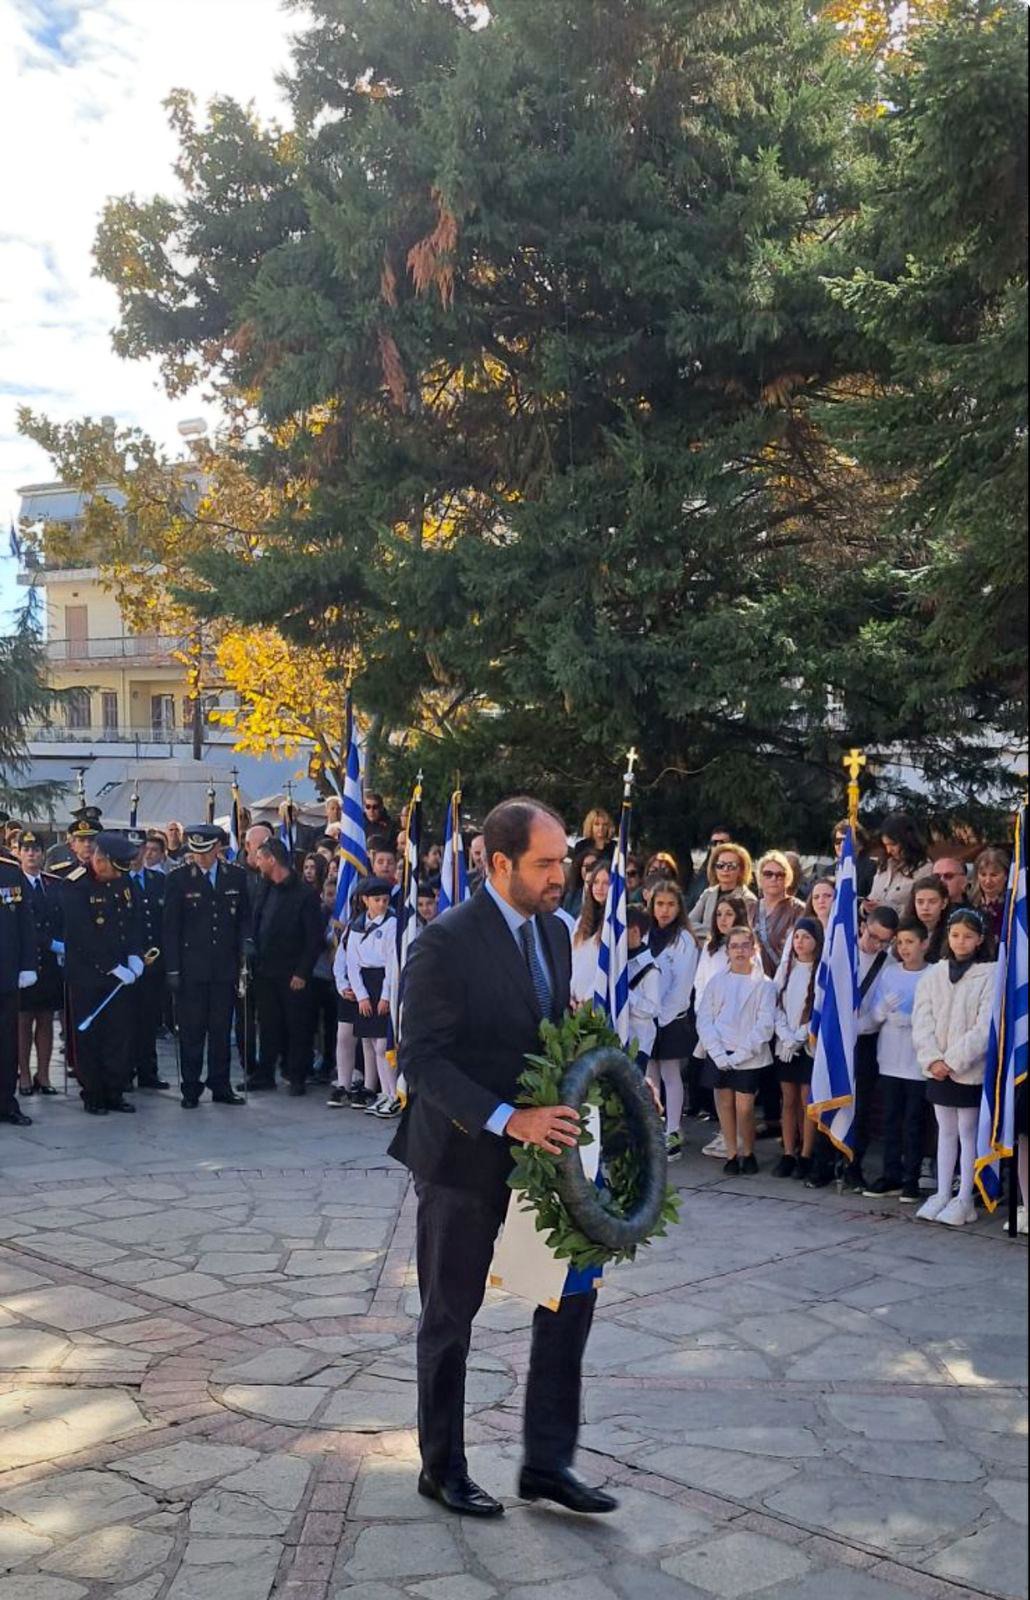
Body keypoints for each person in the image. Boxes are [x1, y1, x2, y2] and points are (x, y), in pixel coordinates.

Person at [390, 796, 616, 1519]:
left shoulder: (553, 933)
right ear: (498, 863)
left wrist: (606, 1073)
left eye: (564, 861)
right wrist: (505, 1119)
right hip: (460, 1158)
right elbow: (422, 1061)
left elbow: (545, 1031)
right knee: (450, 1316)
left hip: (543, 1159)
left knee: (568, 1301)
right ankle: (442, 1466)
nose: (562, 876)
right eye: (545, 864)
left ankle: (547, 1464)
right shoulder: (443, 943)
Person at [912, 907, 996, 1226]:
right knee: (945, 1130)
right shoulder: (934, 974)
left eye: (968, 936)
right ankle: (943, 1192)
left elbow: (983, 1027)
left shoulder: (988, 975)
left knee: (967, 1131)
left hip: (967, 1070)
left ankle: (965, 1198)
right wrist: (932, 1058)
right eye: (956, 935)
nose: (961, 942)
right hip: (937, 1067)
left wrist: (952, 1061)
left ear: (980, 940)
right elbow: (922, 1019)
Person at [61, 831, 146, 1116]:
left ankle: (115, 1090)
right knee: (90, 1037)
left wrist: (135, 954)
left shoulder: (123, 882)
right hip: (88, 975)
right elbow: (81, 935)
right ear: (100, 859)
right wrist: (112, 966)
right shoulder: (76, 886)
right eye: (114, 867)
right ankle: (94, 1093)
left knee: (119, 1034)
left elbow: (133, 921)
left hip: (121, 975)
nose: (117, 875)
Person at [162, 826, 248, 1109]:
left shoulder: (235, 876)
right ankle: (190, 1087)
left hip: (224, 968)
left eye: (205, 852)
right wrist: (172, 969)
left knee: (221, 1030)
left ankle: (220, 1084)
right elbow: (171, 928)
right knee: (192, 1031)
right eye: (195, 852)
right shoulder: (178, 879)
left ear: (217, 849)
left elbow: (243, 921)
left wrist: (245, 952)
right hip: (191, 969)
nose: (199, 858)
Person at [828, 905, 899, 1192]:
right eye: (872, 936)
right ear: (862, 927)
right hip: (836, 1038)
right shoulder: (843, 953)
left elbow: (875, 1017)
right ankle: (824, 1161)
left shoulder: (889, 964)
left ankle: (853, 1164)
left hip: (866, 1042)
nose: (876, 944)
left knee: (862, 1107)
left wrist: (874, 1017)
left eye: (884, 941)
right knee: (830, 1098)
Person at [696, 924, 775, 1175]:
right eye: (734, 946)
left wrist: (741, 1054)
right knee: (725, 1104)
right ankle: (731, 1153)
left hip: (748, 1056)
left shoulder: (764, 985)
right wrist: (717, 1052)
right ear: (727, 951)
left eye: (745, 945)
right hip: (719, 1053)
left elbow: (765, 1024)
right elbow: (705, 1017)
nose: (739, 950)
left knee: (745, 1108)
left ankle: (748, 1150)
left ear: (754, 949)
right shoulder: (717, 981)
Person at [862, 916, 930, 1202]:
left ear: (924, 944)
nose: (904, 948)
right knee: (891, 1120)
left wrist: (914, 1020)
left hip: (916, 1061)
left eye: (910, 942)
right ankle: (891, 1175)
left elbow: (936, 1014)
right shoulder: (889, 972)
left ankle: (911, 1179)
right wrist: (883, 1012)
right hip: (890, 1057)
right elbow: (875, 1015)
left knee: (913, 1123)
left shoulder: (933, 973)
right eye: (900, 942)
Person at [250, 838, 323, 1095]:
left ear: (272, 859)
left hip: (293, 972)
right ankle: (265, 1073)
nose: (257, 863)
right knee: (268, 1024)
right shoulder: (265, 887)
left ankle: (297, 1075)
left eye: (260, 858)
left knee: (297, 1025)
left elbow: (314, 938)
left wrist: (302, 972)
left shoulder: (305, 894)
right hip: (265, 970)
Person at [646, 880, 699, 1159]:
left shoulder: (684, 939)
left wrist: (662, 1016)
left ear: (679, 908)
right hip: (647, 1016)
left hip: (671, 1017)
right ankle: (653, 1128)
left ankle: (673, 1129)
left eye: (670, 904)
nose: (664, 910)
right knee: (650, 1074)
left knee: (670, 1073)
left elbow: (682, 984)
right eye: (659, 904)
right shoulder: (645, 934)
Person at [772, 917, 824, 1179]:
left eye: (806, 937)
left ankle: (807, 1153)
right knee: (788, 1100)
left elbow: (819, 1010)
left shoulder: (820, 971)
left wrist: (800, 1036)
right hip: (786, 1044)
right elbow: (776, 1003)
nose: (800, 942)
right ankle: (788, 1153)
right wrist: (785, 1035)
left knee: (806, 1100)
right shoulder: (787, 968)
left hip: (807, 1046)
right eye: (797, 937)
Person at [346, 876, 400, 1116]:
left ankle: (393, 1093)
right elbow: (352, 963)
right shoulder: (357, 925)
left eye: (385, 900)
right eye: (376, 900)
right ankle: (383, 1093)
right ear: (365, 900)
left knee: (382, 1045)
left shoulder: (391, 924)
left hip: (383, 983)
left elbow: (392, 961)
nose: (381, 904)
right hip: (365, 986)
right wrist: (361, 995)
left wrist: (386, 995)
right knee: (368, 1042)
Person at [15, 831, 62, 1098]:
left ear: (43, 853)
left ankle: (42, 1074)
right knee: (23, 1022)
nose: (32, 853)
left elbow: (61, 918)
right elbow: (25, 926)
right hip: (26, 963)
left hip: (50, 966)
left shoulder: (53, 883)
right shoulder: (14, 883)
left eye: (36, 849)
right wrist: (49, 942)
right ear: (19, 852)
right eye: (27, 849)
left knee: (45, 1020)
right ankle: (23, 1073)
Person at [125, 831, 170, 1091]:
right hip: (129, 965)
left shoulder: (158, 880)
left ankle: (148, 1071)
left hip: (154, 963)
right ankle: (126, 1070)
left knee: (150, 1019)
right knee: (128, 1020)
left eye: (139, 849)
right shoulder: (119, 882)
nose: (136, 855)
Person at [1, 851, 37, 1127]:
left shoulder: (10, 872)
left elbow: (25, 923)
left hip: (6, 973)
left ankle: (6, 1102)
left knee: (6, 1043)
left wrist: (27, 965)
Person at [752, 851, 803, 977]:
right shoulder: (750, 909)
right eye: (768, 874)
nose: (774, 878)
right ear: (760, 878)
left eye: (780, 875)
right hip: (755, 983)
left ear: (788, 878)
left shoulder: (799, 910)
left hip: (787, 980)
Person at [688, 843, 756, 937]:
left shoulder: (747, 899)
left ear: (741, 870)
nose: (725, 870)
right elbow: (688, 923)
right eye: (720, 865)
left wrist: (707, 931)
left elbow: (745, 932)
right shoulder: (708, 893)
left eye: (731, 866)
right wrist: (713, 933)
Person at [868, 813, 929, 912]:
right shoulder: (883, 865)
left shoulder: (925, 869)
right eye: (885, 845)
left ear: (908, 841)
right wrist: (865, 908)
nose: (889, 850)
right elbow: (872, 896)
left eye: (893, 844)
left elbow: (923, 909)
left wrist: (890, 909)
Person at [570, 859, 610, 1006]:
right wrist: (570, 995)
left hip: (597, 1003)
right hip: (574, 1001)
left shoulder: (615, 925)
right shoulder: (582, 920)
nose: (600, 887)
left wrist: (588, 1000)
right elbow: (572, 959)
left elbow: (610, 968)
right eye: (596, 882)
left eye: (606, 883)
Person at [625, 906, 661, 1069]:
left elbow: (652, 1009)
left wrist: (625, 995)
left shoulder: (650, 969)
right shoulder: (617, 962)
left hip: (637, 1043)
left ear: (635, 931)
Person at [685, 827, 734, 913]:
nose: (718, 846)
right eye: (714, 843)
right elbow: (689, 907)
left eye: (722, 842)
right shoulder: (701, 877)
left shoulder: (739, 873)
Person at [970, 846, 1011, 943]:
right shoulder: (969, 903)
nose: (988, 881)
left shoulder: (1013, 906)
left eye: (994, 875)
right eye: (983, 874)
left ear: (1006, 876)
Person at [909, 875, 950, 963]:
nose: (925, 907)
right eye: (920, 902)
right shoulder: (905, 929)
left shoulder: (951, 932)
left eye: (932, 902)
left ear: (944, 903)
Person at [832, 819, 876, 900]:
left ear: (861, 844)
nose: (841, 845)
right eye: (838, 841)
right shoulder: (828, 870)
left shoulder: (871, 868)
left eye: (846, 841)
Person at [561, 849, 598, 923]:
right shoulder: (571, 896)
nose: (589, 869)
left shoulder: (603, 894)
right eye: (586, 866)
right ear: (580, 868)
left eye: (594, 865)